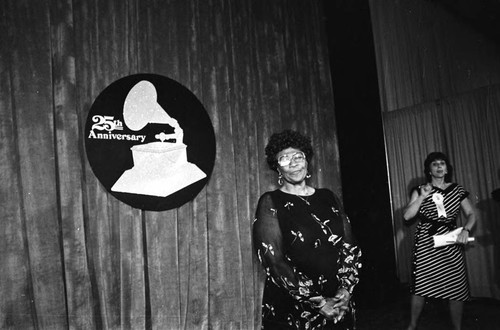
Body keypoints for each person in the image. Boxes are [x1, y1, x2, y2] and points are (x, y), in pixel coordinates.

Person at [253, 129, 362, 329]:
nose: (293, 162)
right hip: (295, 308)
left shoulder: (328, 196)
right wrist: (319, 302)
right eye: (285, 159)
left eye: (298, 157)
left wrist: (345, 291)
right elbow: (274, 261)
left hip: (338, 303)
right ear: (277, 168)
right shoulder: (270, 201)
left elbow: (350, 246)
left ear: (307, 161)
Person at [403, 152, 476, 330]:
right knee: (422, 284)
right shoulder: (420, 189)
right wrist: (422, 197)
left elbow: (472, 214)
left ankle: (457, 327)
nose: (439, 166)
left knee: (456, 285)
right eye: (434, 164)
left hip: (450, 240)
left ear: (446, 168)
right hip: (426, 241)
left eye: (442, 163)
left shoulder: (457, 189)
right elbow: (407, 216)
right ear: (429, 169)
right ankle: (412, 326)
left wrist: (466, 229)